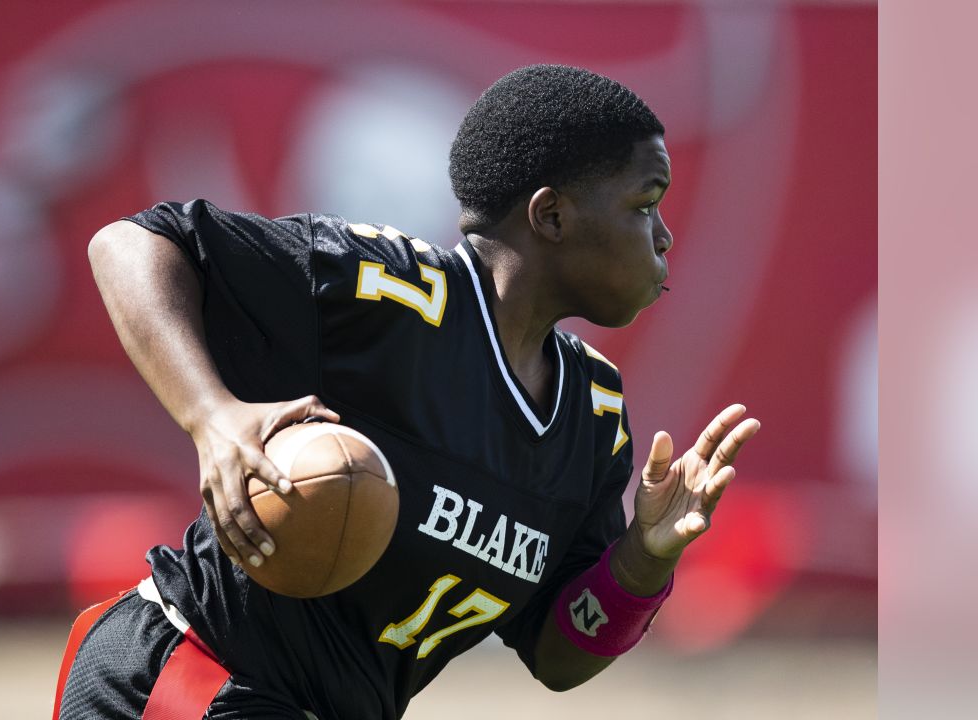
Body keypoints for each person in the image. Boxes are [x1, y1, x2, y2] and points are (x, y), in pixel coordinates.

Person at [54, 64, 760, 720]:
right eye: (645, 203)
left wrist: (642, 558)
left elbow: (556, 654)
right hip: (191, 671)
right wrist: (214, 419)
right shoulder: (389, 297)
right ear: (551, 217)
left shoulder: (593, 417)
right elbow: (129, 244)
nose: (663, 235)